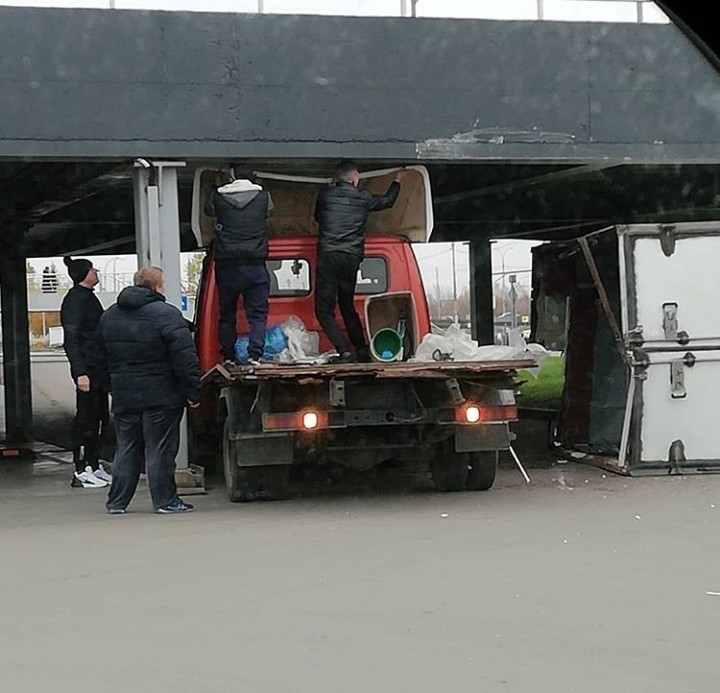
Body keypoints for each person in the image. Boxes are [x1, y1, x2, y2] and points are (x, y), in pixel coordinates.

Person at [98, 266, 201, 514]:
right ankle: (165, 501)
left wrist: (111, 386)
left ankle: (117, 502)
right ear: (156, 286)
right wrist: (193, 391)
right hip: (161, 394)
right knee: (160, 449)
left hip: (124, 394)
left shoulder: (109, 316)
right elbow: (184, 358)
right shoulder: (167, 314)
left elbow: (98, 357)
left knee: (126, 448)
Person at [314, 161, 406, 362]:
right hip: (351, 257)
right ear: (354, 178)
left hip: (329, 256)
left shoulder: (325, 195)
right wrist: (397, 180)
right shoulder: (363, 198)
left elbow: (318, 217)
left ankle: (344, 351)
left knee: (323, 311)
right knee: (346, 305)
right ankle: (361, 347)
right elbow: (388, 201)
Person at [204, 165, 275, 366]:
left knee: (227, 314)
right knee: (258, 315)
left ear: (232, 176)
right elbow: (270, 211)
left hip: (227, 264)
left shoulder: (218, 197)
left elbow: (208, 210)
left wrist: (215, 187)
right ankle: (255, 355)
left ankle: (228, 356)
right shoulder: (264, 197)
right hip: (255, 263)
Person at [60, 256, 111, 489]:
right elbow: (71, 340)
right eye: (92, 269)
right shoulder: (74, 301)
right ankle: (80, 470)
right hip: (88, 370)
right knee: (86, 420)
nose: (96, 272)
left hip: (99, 369)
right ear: (84, 274)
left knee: (100, 418)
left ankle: (94, 464)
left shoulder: (89, 298)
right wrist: (80, 372)